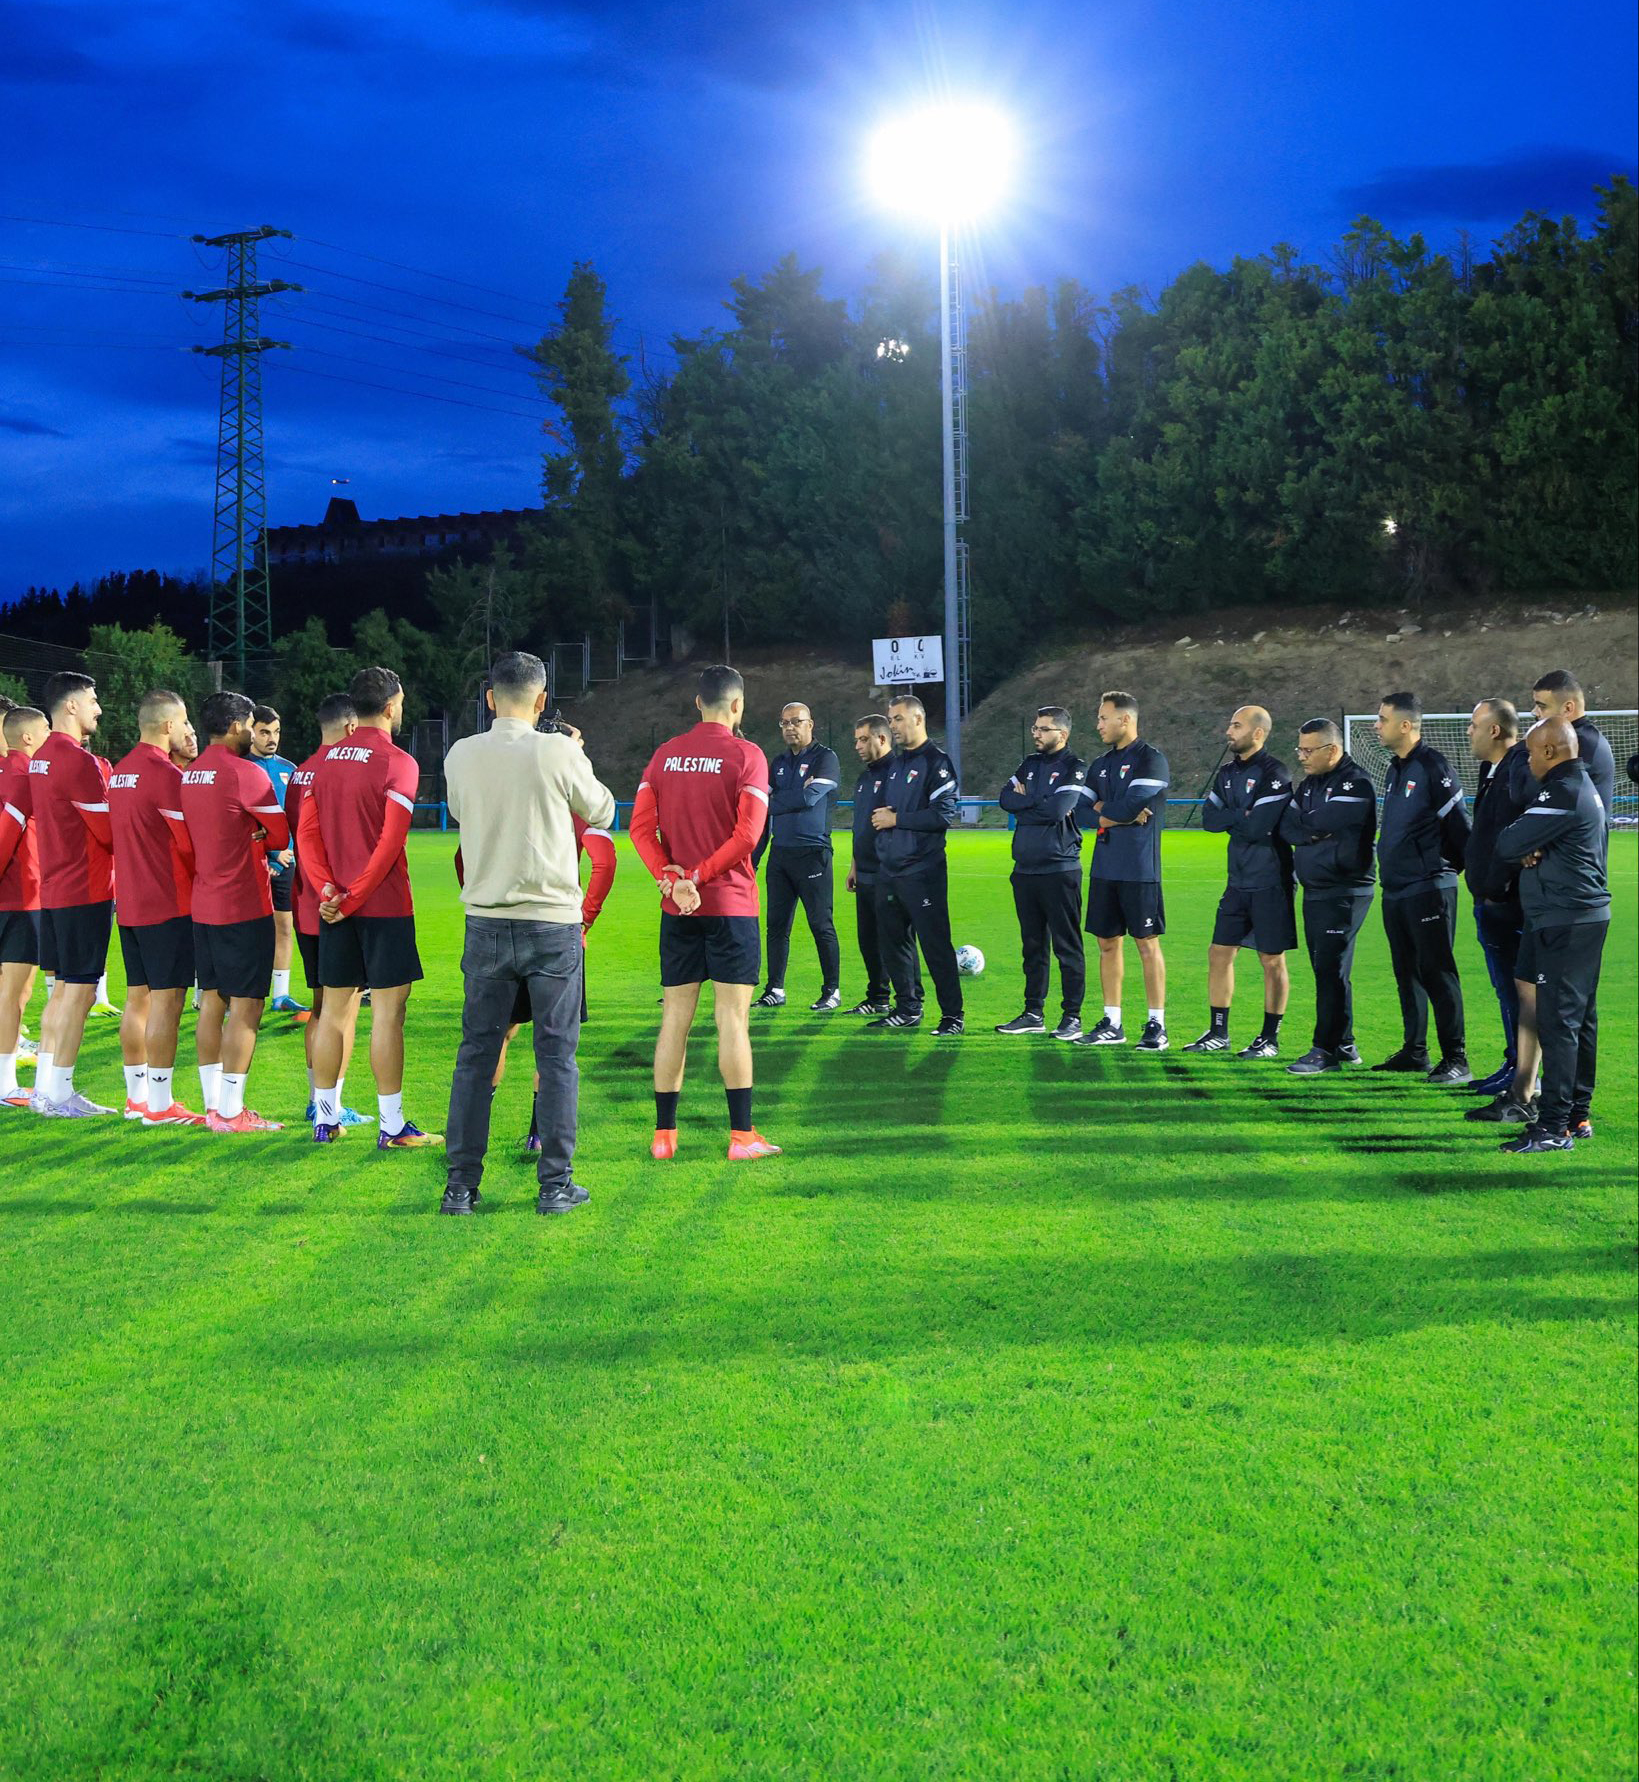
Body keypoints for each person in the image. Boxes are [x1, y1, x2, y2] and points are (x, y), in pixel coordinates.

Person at [439, 651, 617, 1214]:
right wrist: (575, 759)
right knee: (557, 1056)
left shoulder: (462, 752)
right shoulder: (559, 750)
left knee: (475, 1056)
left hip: (487, 920)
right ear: (541, 700)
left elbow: (465, 815)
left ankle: (461, 1186)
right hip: (551, 922)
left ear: (490, 697)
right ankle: (554, 1185)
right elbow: (603, 811)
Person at [630, 663, 780, 1161]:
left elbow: (638, 830)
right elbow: (748, 836)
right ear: (737, 705)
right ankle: (741, 1138)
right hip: (730, 905)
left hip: (679, 910)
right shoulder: (748, 756)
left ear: (698, 703)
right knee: (732, 1021)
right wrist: (696, 877)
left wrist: (671, 880)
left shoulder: (665, 755)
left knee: (675, 1019)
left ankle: (664, 1138)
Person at [299, 665, 440, 1149]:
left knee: (333, 1013)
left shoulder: (326, 761)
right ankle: (392, 1125)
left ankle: (325, 1118)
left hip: (334, 907)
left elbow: (307, 835)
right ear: (390, 707)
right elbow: (388, 843)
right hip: (381, 906)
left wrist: (326, 892)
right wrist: (354, 895)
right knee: (386, 1016)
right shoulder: (398, 761)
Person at [1493, 718, 1610, 1152]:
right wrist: (1529, 843)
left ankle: (1555, 1127)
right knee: (1578, 1020)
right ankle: (1576, 1115)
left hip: (1567, 917)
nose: (1524, 759)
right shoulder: (1576, 785)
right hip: (1569, 915)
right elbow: (1522, 840)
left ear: (1548, 752)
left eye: (1528, 751)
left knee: (1560, 1021)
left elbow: (1507, 843)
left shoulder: (1562, 790)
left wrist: (1524, 844)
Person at [177, 691, 291, 1132]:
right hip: (243, 905)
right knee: (246, 1007)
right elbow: (280, 835)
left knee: (211, 1002)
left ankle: (213, 1107)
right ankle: (231, 1112)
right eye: (248, 723)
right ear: (234, 725)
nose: (251, 730)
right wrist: (257, 835)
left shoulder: (189, 775)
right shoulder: (246, 773)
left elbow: (188, 842)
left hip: (203, 903)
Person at [488, 806, 617, 1157]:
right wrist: (585, 918)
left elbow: (462, 858)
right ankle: (539, 1135)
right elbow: (604, 862)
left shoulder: (505, 791)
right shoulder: (576, 800)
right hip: (558, 930)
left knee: (497, 1033)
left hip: (501, 928)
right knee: (554, 1037)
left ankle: (475, 1130)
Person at [107, 688, 204, 1125]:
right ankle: (162, 1106)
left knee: (137, 999)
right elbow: (186, 845)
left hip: (130, 902)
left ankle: (136, 1098)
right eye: (184, 722)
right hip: (167, 901)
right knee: (167, 1002)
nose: (187, 729)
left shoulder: (120, 771)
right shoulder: (164, 774)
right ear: (168, 725)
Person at [26, 672, 117, 1116]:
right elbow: (108, 831)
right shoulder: (77, 761)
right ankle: (59, 1093)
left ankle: (45, 1089)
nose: (98, 707)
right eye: (94, 699)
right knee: (79, 992)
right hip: (86, 889)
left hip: (58, 889)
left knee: (62, 991)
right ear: (72, 706)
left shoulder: (41, 756)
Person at [1372, 691, 1471, 1084]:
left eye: (1382, 719)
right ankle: (1415, 1051)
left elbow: (1460, 827)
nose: (1376, 726)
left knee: (1437, 971)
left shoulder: (1433, 765)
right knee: (1406, 971)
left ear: (1406, 725)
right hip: (1396, 887)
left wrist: (1447, 872)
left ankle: (1457, 1058)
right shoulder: (1396, 768)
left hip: (1428, 886)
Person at [284, 692, 372, 1129]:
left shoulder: (300, 773)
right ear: (352, 727)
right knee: (344, 1010)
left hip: (306, 904)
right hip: (343, 907)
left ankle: (315, 1099)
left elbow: (294, 837)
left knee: (321, 1008)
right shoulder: (348, 769)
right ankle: (331, 1106)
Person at [1186, 705, 1294, 1058]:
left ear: (1258, 733)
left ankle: (1270, 1038)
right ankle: (1219, 1033)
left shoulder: (1275, 772)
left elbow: (1258, 826)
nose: (1228, 731)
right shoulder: (1228, 772)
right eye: (1230, 723)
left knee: (1271, 960)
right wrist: (1239, 814)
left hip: (1270, 879)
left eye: (1236, 725)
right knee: (1219, 952)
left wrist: (1236, 817)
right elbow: (1208, 819)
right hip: (1238, 879)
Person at [1278, 720, 1375, 1074]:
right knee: (1327, 969)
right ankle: (1345, 1043)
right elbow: (1289, 826)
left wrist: (1308, 827)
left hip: (1345, 889)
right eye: (1299, 750)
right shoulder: (1308, 786)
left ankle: (1324, 1050)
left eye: (1308, 750)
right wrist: (1309, 831)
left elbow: (1316, 822)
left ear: (1332, 750)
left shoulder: (1357, 783)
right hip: (1316, 887)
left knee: (1331, 968)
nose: (1301, 757)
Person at [1077, 690, 1170, 1049]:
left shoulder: (1151, 760)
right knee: (1106, 943)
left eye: (1103, 718)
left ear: (1125, 719)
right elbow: (1082, 811)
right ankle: (1112, 1022)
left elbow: (1135, 804)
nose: (1098, 724)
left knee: (1146, 944)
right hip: (1104, 867)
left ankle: (1155, 1024)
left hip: (1140, 869)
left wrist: (1105, 809)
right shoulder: (1100, 764)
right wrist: (1113, 815)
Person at [869, 693, 964, 1035]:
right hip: (890, 871)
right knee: (894, 942)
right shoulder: (895, 765)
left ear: (918, 719)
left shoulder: (936, 762)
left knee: (935, 944)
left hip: (923, 871)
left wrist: (898, 821)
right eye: (890, 719)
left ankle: (953, 1016)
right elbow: (884, 815)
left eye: (897, 718)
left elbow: (944, 814)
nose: (892, 725)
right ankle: (908, 1007)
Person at [995, 705, 1087, 1039]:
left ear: (1061, 734)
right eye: (1035, 728)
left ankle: (1072, 1017)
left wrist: (1029, 800)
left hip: (1060, 869)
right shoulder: (1029, 764)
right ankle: (1033, 1012)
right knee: (1032, 946)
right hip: (1025, 871)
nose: (1036, 733)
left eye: (1043, 729)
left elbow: (1058, 810)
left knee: (1067, 946)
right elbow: (1005, 799)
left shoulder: (1075, 767)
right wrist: (1038, 801)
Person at [1461, 700, 1531, 1120]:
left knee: (1519, 995)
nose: (1468, 731)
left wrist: (1499, 890)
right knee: (1507, 994)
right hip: (1490, 899)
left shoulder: (1518, 768)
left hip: (1507, 903)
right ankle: (1513, 1064)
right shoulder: (1495, 770)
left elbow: (1520, 833)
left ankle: (1526, 1077)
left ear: (1493, 730)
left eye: (1473, 725)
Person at [753, 702, 843, 1011]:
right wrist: (754, 857)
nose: (790, 727)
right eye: (784, 722)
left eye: (796, 721)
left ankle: (832, 990)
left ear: (810, 724)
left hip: (812, 854)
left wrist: (775, 799)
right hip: (780, 855)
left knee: (821, 925)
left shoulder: (826, 758)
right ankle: (775, 988)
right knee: (776, 927)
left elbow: (809, 797)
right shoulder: (777, 762)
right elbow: (760, 808)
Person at [842, 713, 918, 1016]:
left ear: (882, 739)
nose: (858, 746)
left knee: (897, 940)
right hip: (867, 872)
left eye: (863, 739)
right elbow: (861, 827)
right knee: (869, 940)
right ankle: (877, 997)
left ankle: (912, 1001)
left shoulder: (899, 774)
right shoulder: (865, 777)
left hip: (891, 871)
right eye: (856, 740)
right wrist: (854, 865)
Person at [0, 704, 47, 1108]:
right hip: (20, 895)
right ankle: (5, 1084)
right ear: (28, 736)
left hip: (16, 894)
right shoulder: (23, 775)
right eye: (46, 728)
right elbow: (8, 834)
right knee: (13, 995)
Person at [249, 702, 308, 1017]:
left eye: (276, 731)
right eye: (264, 732)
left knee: (284, 927)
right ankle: (241, 994)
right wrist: (270, 852)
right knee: (252, 932)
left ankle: (281, 995)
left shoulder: (290, 768)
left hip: (287, 862)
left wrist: (289, 851)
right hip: (255, 863)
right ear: (252, 732)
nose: (272, 738)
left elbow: (298, 816)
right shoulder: (243, 766)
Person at [1527, 670, 1616, 821]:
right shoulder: (1582, 739)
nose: (1534, 712)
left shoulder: (1580, 743)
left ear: (1568, 709)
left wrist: (1518, 750)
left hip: (1574, 843)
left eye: (1541, 706)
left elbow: (1528, 792)